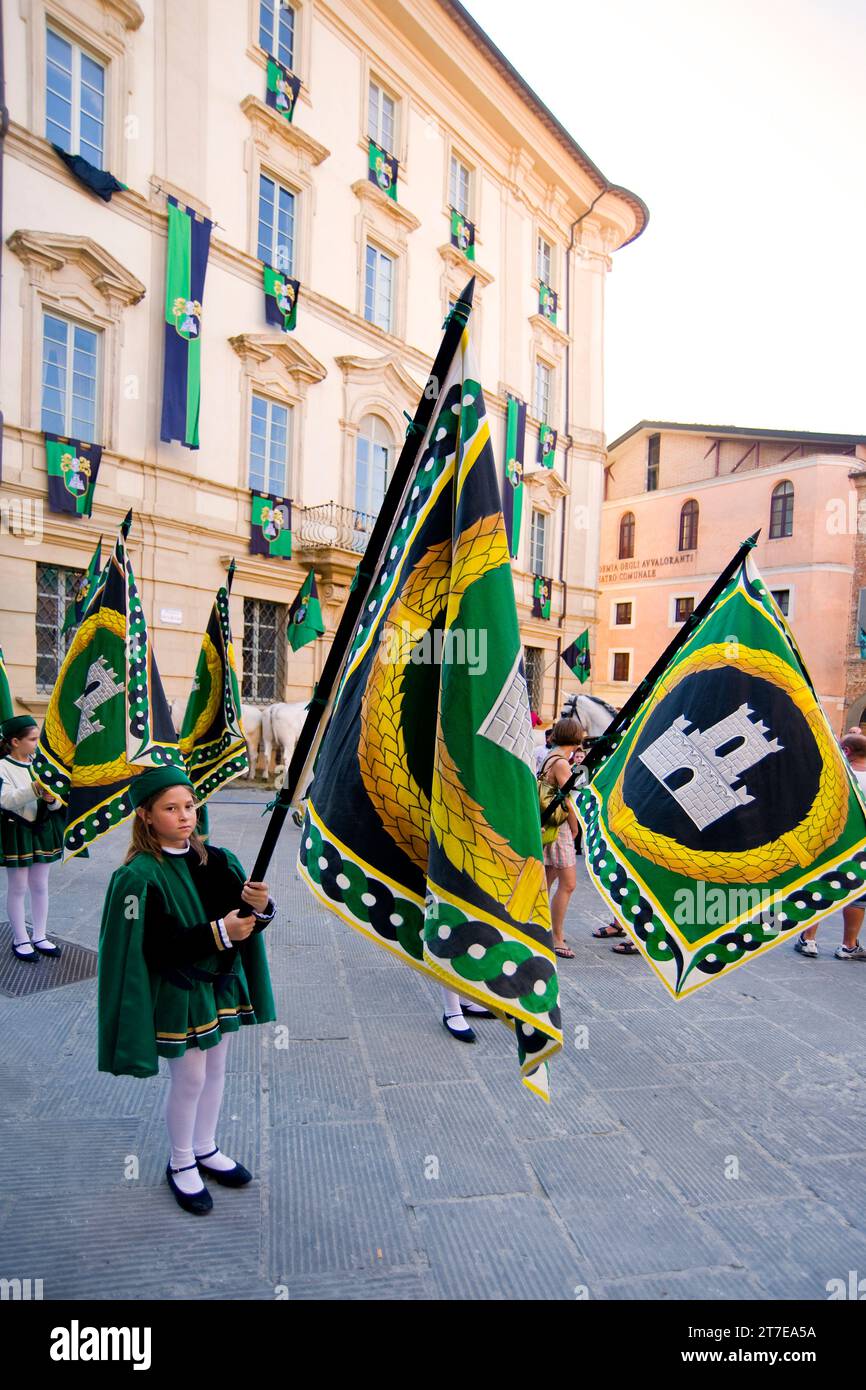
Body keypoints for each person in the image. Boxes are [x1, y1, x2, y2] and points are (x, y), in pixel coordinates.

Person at [97, 767, 276, 1215]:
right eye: (170, 808)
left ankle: (205, 1147)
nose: (184, 816)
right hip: (181, 991)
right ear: (146, 816)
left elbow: (244, 922)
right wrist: (219, 931)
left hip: (219, 985)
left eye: (189, 806)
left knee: (217, 1069)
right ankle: (180, 1163)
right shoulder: (137, 878)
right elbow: (153, 948)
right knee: (191, 1077)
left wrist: (261, 908)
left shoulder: (217, 860)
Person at [795, 733, 866, 961]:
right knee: (856, 896)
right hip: (860, 847)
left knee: (820, 886)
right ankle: (849, 945)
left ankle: (809, 939)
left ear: (846, 751)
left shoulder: (835, 774)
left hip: (829, 840)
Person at [0, 715, 64, 961]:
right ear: (15, 741)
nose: (38, 744)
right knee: (17, 887)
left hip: (42, 830)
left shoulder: (40, 764)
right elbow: (5, 800)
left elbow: (58, 799)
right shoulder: (3, 766)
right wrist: (36, 789)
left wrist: (52, 799)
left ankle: (39, 935)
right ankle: (20, 938)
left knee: (40, 885)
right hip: (17, 830)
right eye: (33, 739)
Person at [539, 716, 586, 960]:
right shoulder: (561, 763)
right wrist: (576, 827)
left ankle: (535, 925)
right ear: (576, 737)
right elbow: (568, 799)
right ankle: (556, 937)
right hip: (560, 830)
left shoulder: (552, 755)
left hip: (549, 826)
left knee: (546, 881)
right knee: (568, 884)